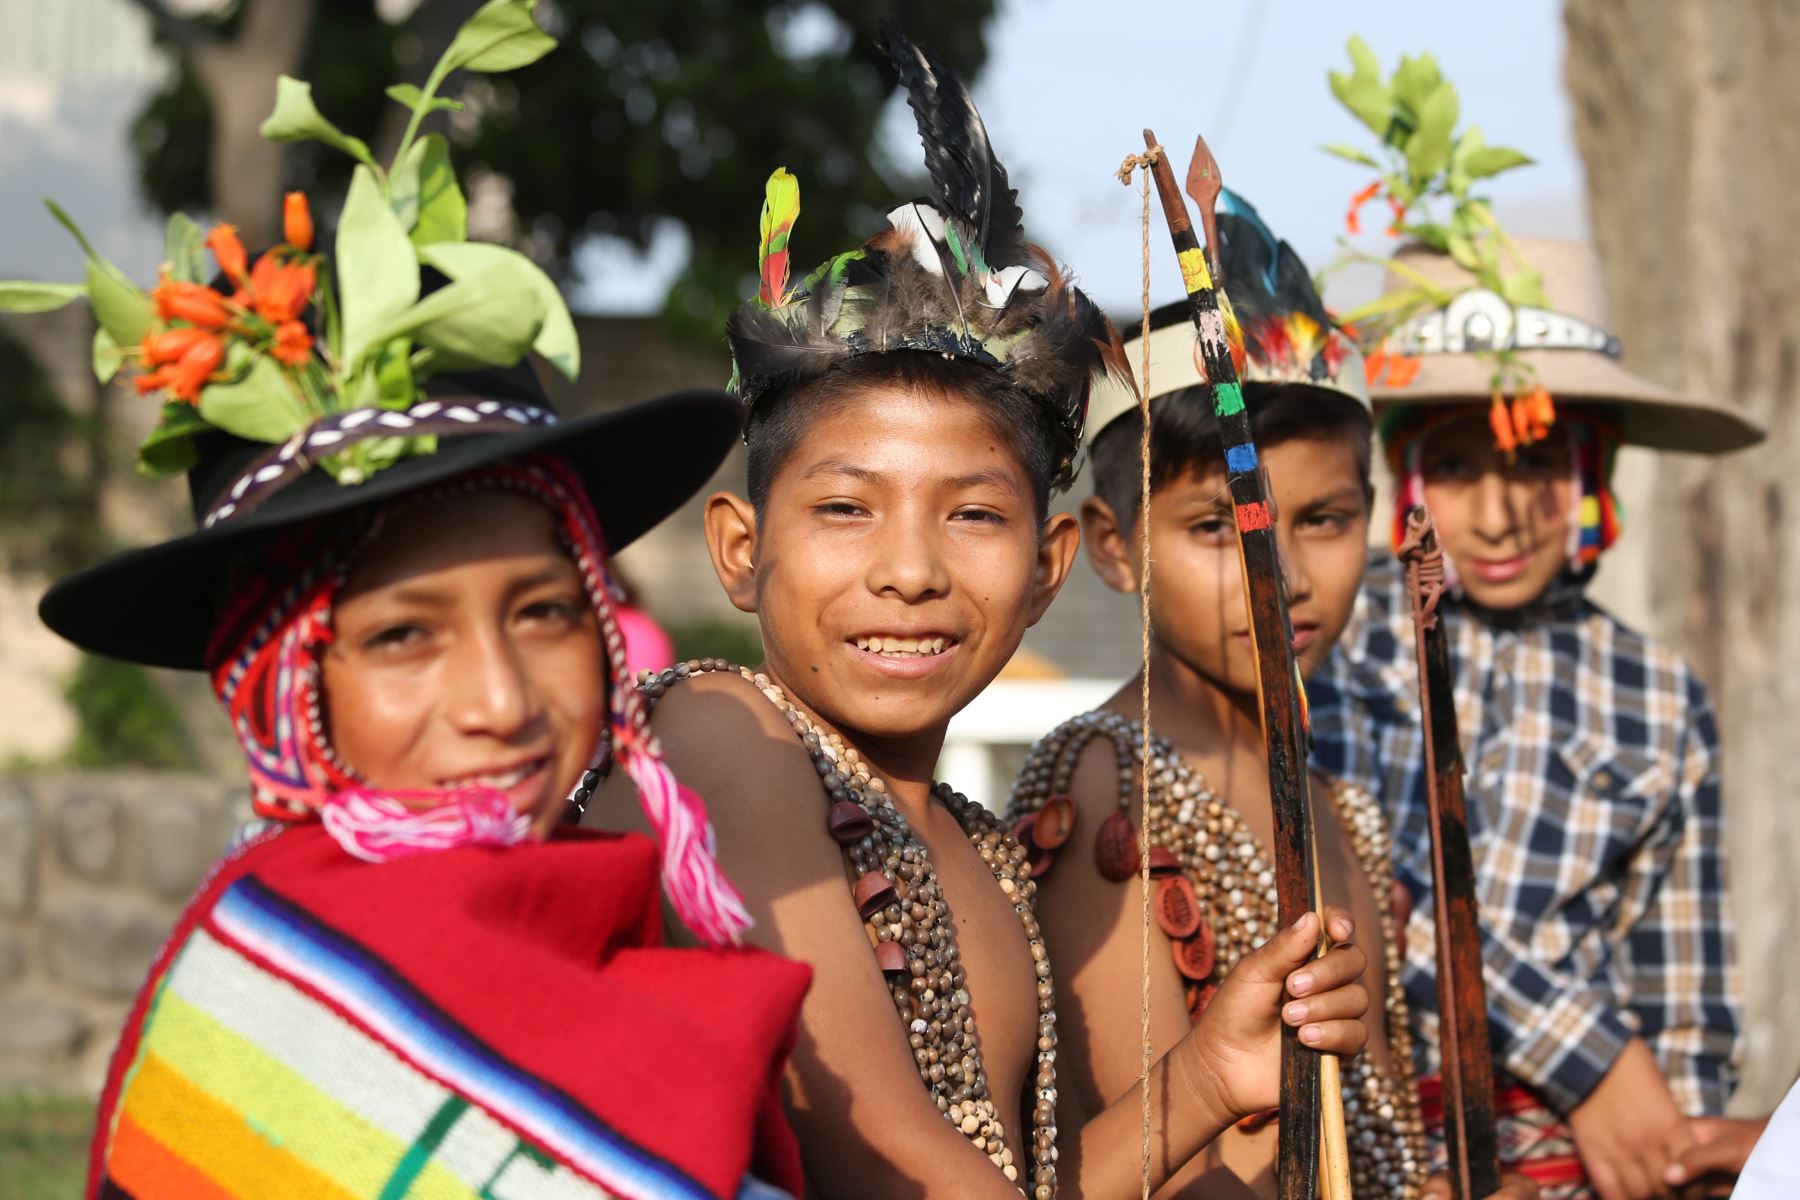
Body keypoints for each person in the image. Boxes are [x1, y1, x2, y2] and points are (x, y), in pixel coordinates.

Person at [9, 17, 809, 1197]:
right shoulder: (276, 1004)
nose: (500, 701)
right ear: (285, 691)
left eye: (543, 614)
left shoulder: (615, 918)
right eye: (399, 635)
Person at [590, 26, 1374, 1199]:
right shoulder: (719, 740)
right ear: (741, 553)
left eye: (974, 516)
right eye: (848, 510)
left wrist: (1206, 1081)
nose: (910, 571)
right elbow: (890, 1156)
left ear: (1051, 569)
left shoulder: (977, 848)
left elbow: (1020, 1181)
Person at [1008, 194, 1529, 1200]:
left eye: (1325, 519)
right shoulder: (1109, 783)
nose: (1278, 572)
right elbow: (1159, 1159)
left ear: (1375, 523)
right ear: (1116, 548)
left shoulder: (1348, 812)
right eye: (1218, 527)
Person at [1307, 231, 1761, 1200]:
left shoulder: (1656, 696)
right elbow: (1358, 898)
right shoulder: (1344, 646)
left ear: (1595, 466)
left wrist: (1661, 1144)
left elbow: (1682, 1009)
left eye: (1538, 461)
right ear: (1406, 471)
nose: (1502, 514)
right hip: (1373, 1152)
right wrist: (1587, 1058)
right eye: (1460, 467)